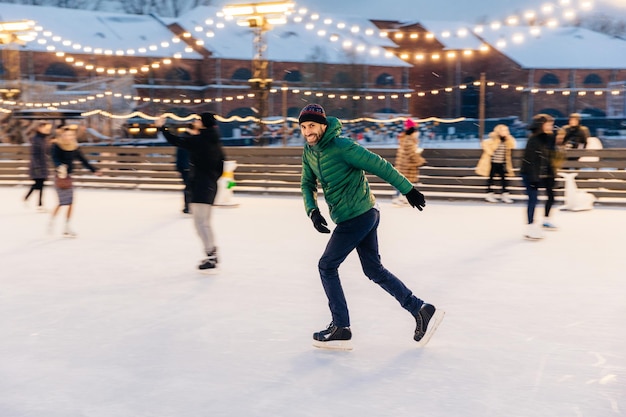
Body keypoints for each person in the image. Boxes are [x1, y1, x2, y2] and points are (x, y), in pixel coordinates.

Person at [299, 103, 444, 350]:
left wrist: (408, 190)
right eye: (303, 127)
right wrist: (312, 211)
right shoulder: (309, 151)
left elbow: (379, 165)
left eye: (311, 125)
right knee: (373, 270)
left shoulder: (343, 147)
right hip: (358, 216)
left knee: (327, 265)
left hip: (359, 215)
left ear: (323, 125)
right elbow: (306, 183)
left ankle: (341, 327)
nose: (307, 131)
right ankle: (420, 309)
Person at [156, 113, 225, 272]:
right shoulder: (214, 140)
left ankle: (211, 255)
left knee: (200, 223)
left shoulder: (201, 140)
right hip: (209, 185)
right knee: (204, 222)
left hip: (201, 185)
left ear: (205, 123)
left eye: (198, 120)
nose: (196, 121)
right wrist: (212, 178)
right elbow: (221, 165)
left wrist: (161, 127)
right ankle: (211, 253)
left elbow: (176, 141)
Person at [49, 125, 102, 237]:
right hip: (59, 177)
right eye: (66, 135)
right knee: (61, 203)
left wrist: (94, 170)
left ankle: (67, 227)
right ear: (62, 135)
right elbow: (55, 158)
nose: (69, 137)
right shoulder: (56, 145)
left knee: (70, 203)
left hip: (68, 177)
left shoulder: (74, 147)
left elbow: (83, 160)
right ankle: (52, 222)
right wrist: (60, 167)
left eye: (71, 135)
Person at [520, 114, 559, 240]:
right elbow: (529, 161)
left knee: (551, 196)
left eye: (551, 125)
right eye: (548, 124)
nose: (551, 127)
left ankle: (545, 220)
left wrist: (552, 175)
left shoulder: (547, 139)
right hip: (531, 174)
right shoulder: (533, 140)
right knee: (533, 199)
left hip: (544, 174)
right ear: (541, 125)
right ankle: (530, 227)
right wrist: (533, 179)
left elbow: (551, 156)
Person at [475, 124, 517, 203]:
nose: (504, 132)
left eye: (505, 130)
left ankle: (505, 195)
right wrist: (491, 152)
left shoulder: (507, 140)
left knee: (504, 180)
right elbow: (485, 144)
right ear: (498, 131)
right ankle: (489, 194)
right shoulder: (493, 139)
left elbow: (513, 145)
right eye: (502, 130)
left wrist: (509, 138)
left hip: (502, 163)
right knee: (490, 179)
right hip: (492, 163)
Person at [392, 118, 426, 206]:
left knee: (402, 182)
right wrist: (420, 160)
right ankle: (398, 198)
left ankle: (400, 198)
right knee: (403, 183)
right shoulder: (409, 140)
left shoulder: (405, 138)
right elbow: (411, 153)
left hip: (404, 164)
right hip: (407, 165)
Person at [24, 121, 52, 211]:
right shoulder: (36, 139)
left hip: (43, 165)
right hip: (37, 166)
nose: (47, 130)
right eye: (44, 128)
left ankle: (30, 199)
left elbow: (47, 152)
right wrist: (36, 166)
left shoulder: (44, 139)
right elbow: (34, 154)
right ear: (39, 128)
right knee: (39, 184)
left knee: (39, 184)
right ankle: (39, 203)